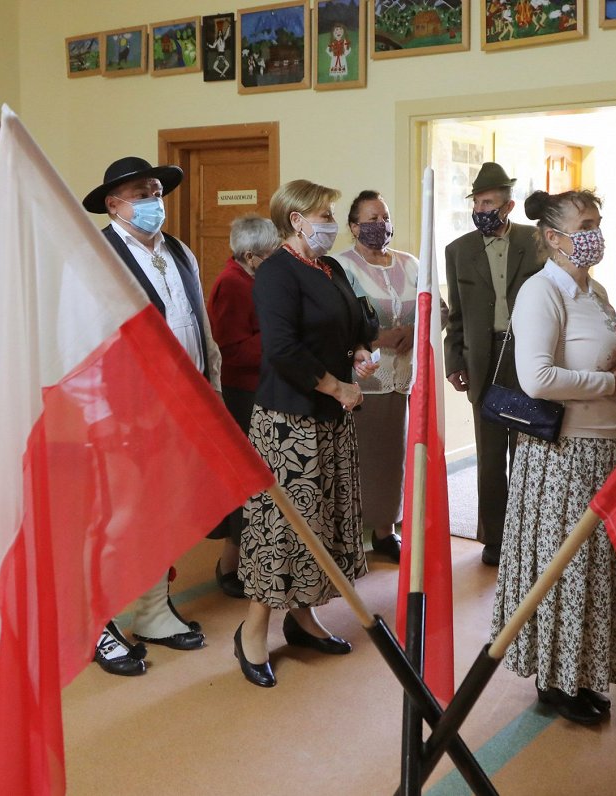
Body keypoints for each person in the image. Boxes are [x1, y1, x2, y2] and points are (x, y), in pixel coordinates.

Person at [490, 189, 616, 725]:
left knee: (595, 570)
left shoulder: (595, 290)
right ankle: (555, 683)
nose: (594, 232)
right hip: (563, 456)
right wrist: (609, 383)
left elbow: (605, 361)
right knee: (565, 569)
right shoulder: (542, 291)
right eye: (584, 223)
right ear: (553, 238)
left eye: (598, 222)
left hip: (604, 448)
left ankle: (581, 673)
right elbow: (538, 379)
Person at [234, 179, 378, 688]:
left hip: (330, 418)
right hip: (289, 420)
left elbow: (354, 319)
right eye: (323, 214)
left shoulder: (330, 266)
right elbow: (282, 348)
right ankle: (253, 630)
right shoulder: (276, 272)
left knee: (321, 525)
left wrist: (359, 348)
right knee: (284, 528)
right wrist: (335, 386)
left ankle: (302, 617)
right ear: (296, 220)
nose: (330, 223)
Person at [82, 156, 222, 676]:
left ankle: (151, 611)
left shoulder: (179, 251)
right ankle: (95, 624)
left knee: (164, 513)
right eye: (141, 194)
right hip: (123, 413)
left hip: (182, 407)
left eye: (157, 192)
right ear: (114, 204)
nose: (153, 203)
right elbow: (85, 342)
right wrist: (100, 416)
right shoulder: (97, 255)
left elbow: (201, 329)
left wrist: (213, 391)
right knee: (117, 520)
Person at [444, 162, 546, 565]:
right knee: (489, 457)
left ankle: (528, 534)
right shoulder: (459, 251)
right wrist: (456, 360)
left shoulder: (536, 242)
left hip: (526, 359)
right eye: (477, 201)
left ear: (508, 205)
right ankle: (495, 537)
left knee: (527, 451)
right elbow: (455, 316)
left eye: (488, 202)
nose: (481, 208)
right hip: (483, 361)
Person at [331, 191, 418, 563]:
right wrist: (376, 338)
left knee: (392, 459)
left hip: (401, 378)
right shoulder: (339, 265)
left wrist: (415, 331)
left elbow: (439, 310)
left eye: (384, 216)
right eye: (370, 218)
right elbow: (335, 320)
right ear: (353, 226)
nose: (379, 225)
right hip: (361, 379)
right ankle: (348, 536)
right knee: (356, 460)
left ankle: (386, 530)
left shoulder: (411, 263)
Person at [206, 213, 282, 598]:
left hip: (261, 387)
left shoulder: (251, 278)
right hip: (242, 393)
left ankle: (249, 559)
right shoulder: (231, 285)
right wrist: (279, 341)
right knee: (245, 480)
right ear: (250, 256)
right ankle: (230, 565)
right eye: (270, 254)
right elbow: (231, 348)